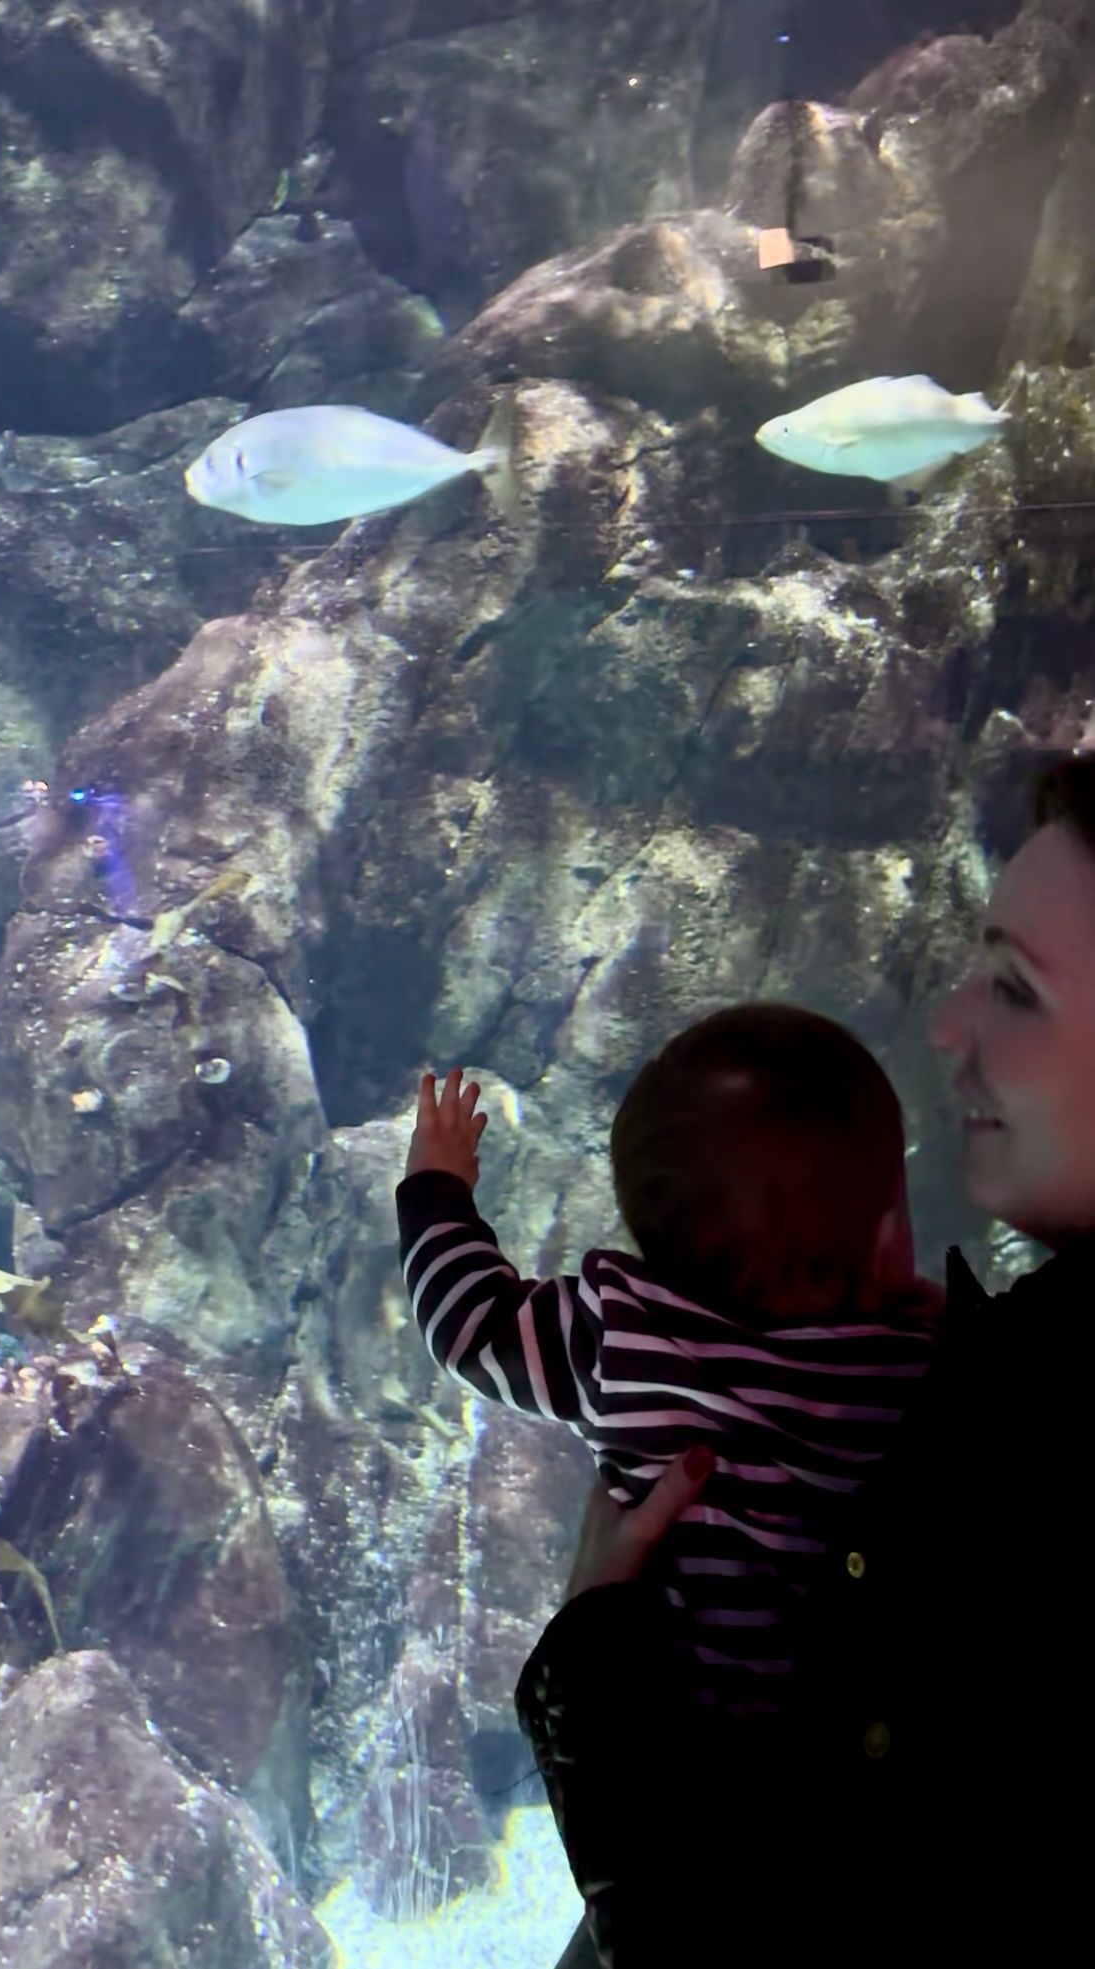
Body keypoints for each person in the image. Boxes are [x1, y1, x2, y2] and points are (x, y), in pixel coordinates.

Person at [514, 751, 1095, 1966]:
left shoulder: (1031, 1457)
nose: (947, 1025)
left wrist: (599, 1648)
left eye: (1016, 989)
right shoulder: (986, 1386)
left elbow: (743, 1929)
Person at [398, 1004, 941, 1727]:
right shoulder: (908, 1370)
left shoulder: (623, 1337)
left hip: (686, 1763)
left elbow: (468, 1326)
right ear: (883, 1240)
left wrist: (437, 1188)